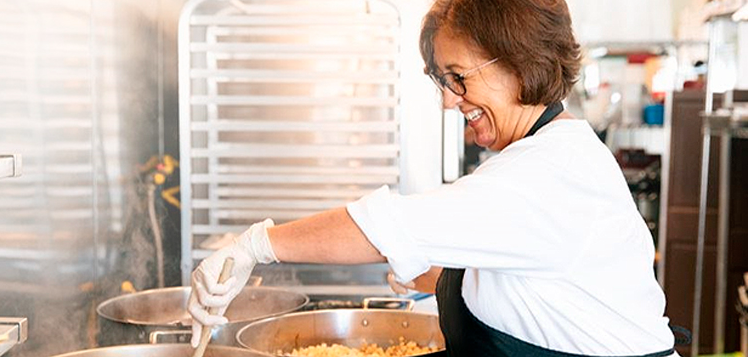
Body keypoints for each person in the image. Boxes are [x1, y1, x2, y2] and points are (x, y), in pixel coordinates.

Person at [187, 0, 679, 355]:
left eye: (458, 77)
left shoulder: (549, 173)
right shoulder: (546, 155)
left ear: (518, 62)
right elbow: (530, 289)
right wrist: (436, 277)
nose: (448, 99)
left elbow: (383, 226)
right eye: (441, 81)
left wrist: (253, 245)